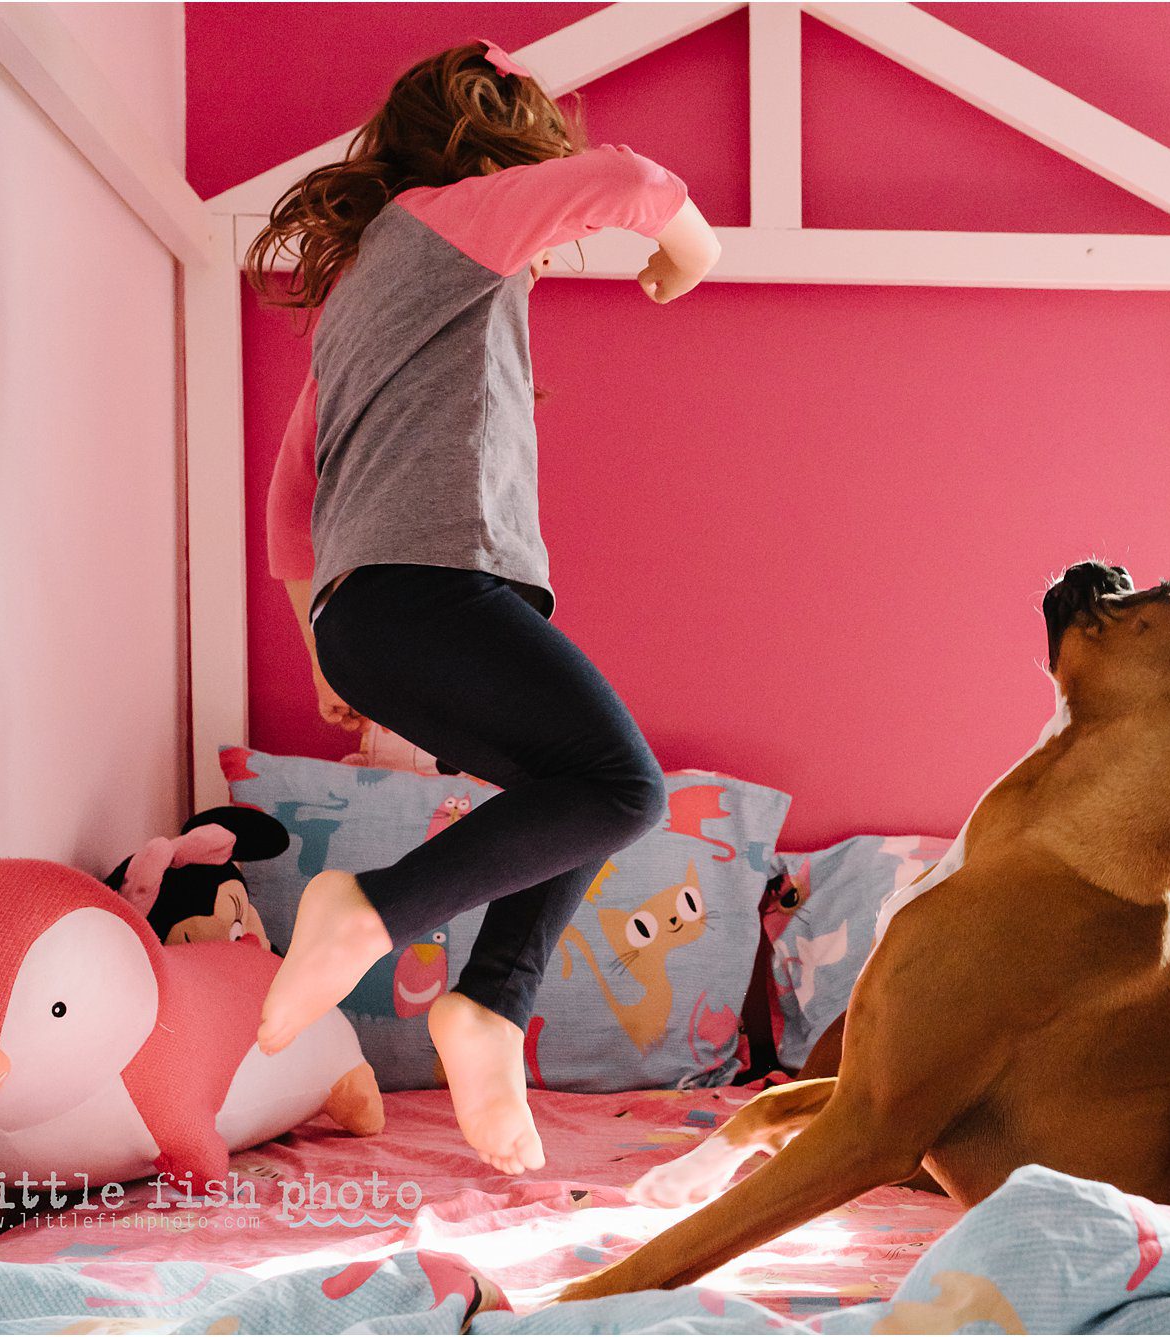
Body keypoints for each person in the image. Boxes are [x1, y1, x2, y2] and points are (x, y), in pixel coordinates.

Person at [244, 39, 720, 1174]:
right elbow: (634, 181)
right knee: (623, 786)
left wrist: (325, 644)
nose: (546, 246)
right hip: (431, 588)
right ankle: (367, 910)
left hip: (374, 615)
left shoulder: (372, 290)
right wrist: (686, 253)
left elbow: (289, 491)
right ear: (500, 159)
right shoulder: (448, 219)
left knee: (565, 792)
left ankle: (490, 1008)